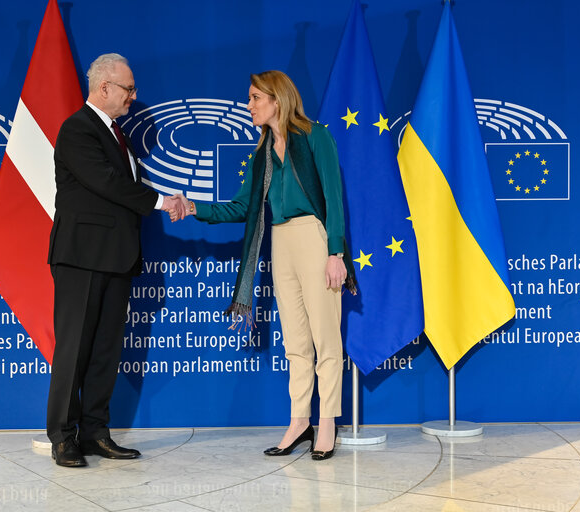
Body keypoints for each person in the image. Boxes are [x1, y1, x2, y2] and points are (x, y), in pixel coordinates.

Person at [173, 70, 357, 461]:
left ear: (277, 100)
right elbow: (243, 206)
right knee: (295, 341)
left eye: (256, 97)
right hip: (281, 241)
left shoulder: (314, 137)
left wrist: (335, 253)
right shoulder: (261, 155)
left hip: (314, 237)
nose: (250, 105)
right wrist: (193, 207)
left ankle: (327, 424)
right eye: (250, 98)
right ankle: (298, 421)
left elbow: (334, 199)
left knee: (326, 338)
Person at [46, 53, 184, 467]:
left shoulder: (116, 133)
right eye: (128, 89)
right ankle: (62, 437)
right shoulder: (77, 129)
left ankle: (95, 432)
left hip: (116, 258)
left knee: (106, 350)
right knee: (74, 351)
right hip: (82, 257)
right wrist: (162, 201)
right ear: (104, 88)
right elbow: (106, 183)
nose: (133, 96)